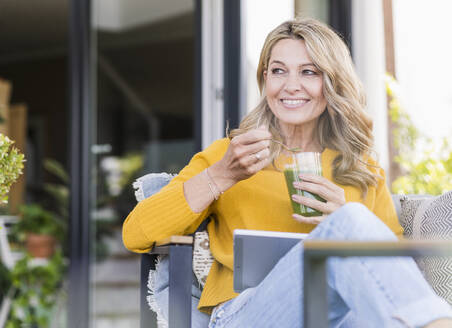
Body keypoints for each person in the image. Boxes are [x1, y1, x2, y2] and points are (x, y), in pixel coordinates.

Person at [123, 18, 452, 327]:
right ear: (266, 79)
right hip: (247, 313)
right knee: (349, 225)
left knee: (351, 241)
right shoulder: (232, 156)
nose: (291, 85)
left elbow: (394, 275)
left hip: (337, 318)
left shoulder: (359, 167)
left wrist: (344, 218)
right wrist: (221, 176)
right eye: (278, 71)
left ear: (331, 81)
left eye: (309, 72)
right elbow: (136, 234)